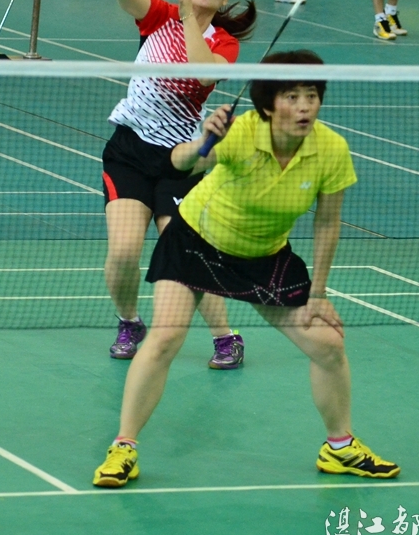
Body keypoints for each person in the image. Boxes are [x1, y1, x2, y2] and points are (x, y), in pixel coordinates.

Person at [93, 50, 400, 488]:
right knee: (165, 338)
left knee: (328, 344)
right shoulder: (241, 133)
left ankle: (339, 446)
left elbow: (328, 222)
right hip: (196, 242)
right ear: (268, 105)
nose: (304, 107)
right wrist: (204, 140)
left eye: (311, 96)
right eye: (291, 97)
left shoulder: (331, 150)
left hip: (264, 256)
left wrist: (319, 293)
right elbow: (181, 163)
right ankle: (123, 447)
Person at [102, 0, 256, 368]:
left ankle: (226, 337)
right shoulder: (159, 17)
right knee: (124, 252)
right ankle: (129, 321)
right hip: (130, 151)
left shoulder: (223, 43)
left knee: (186, 254)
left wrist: (189, 15)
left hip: (182, 160)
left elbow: (201, 72)